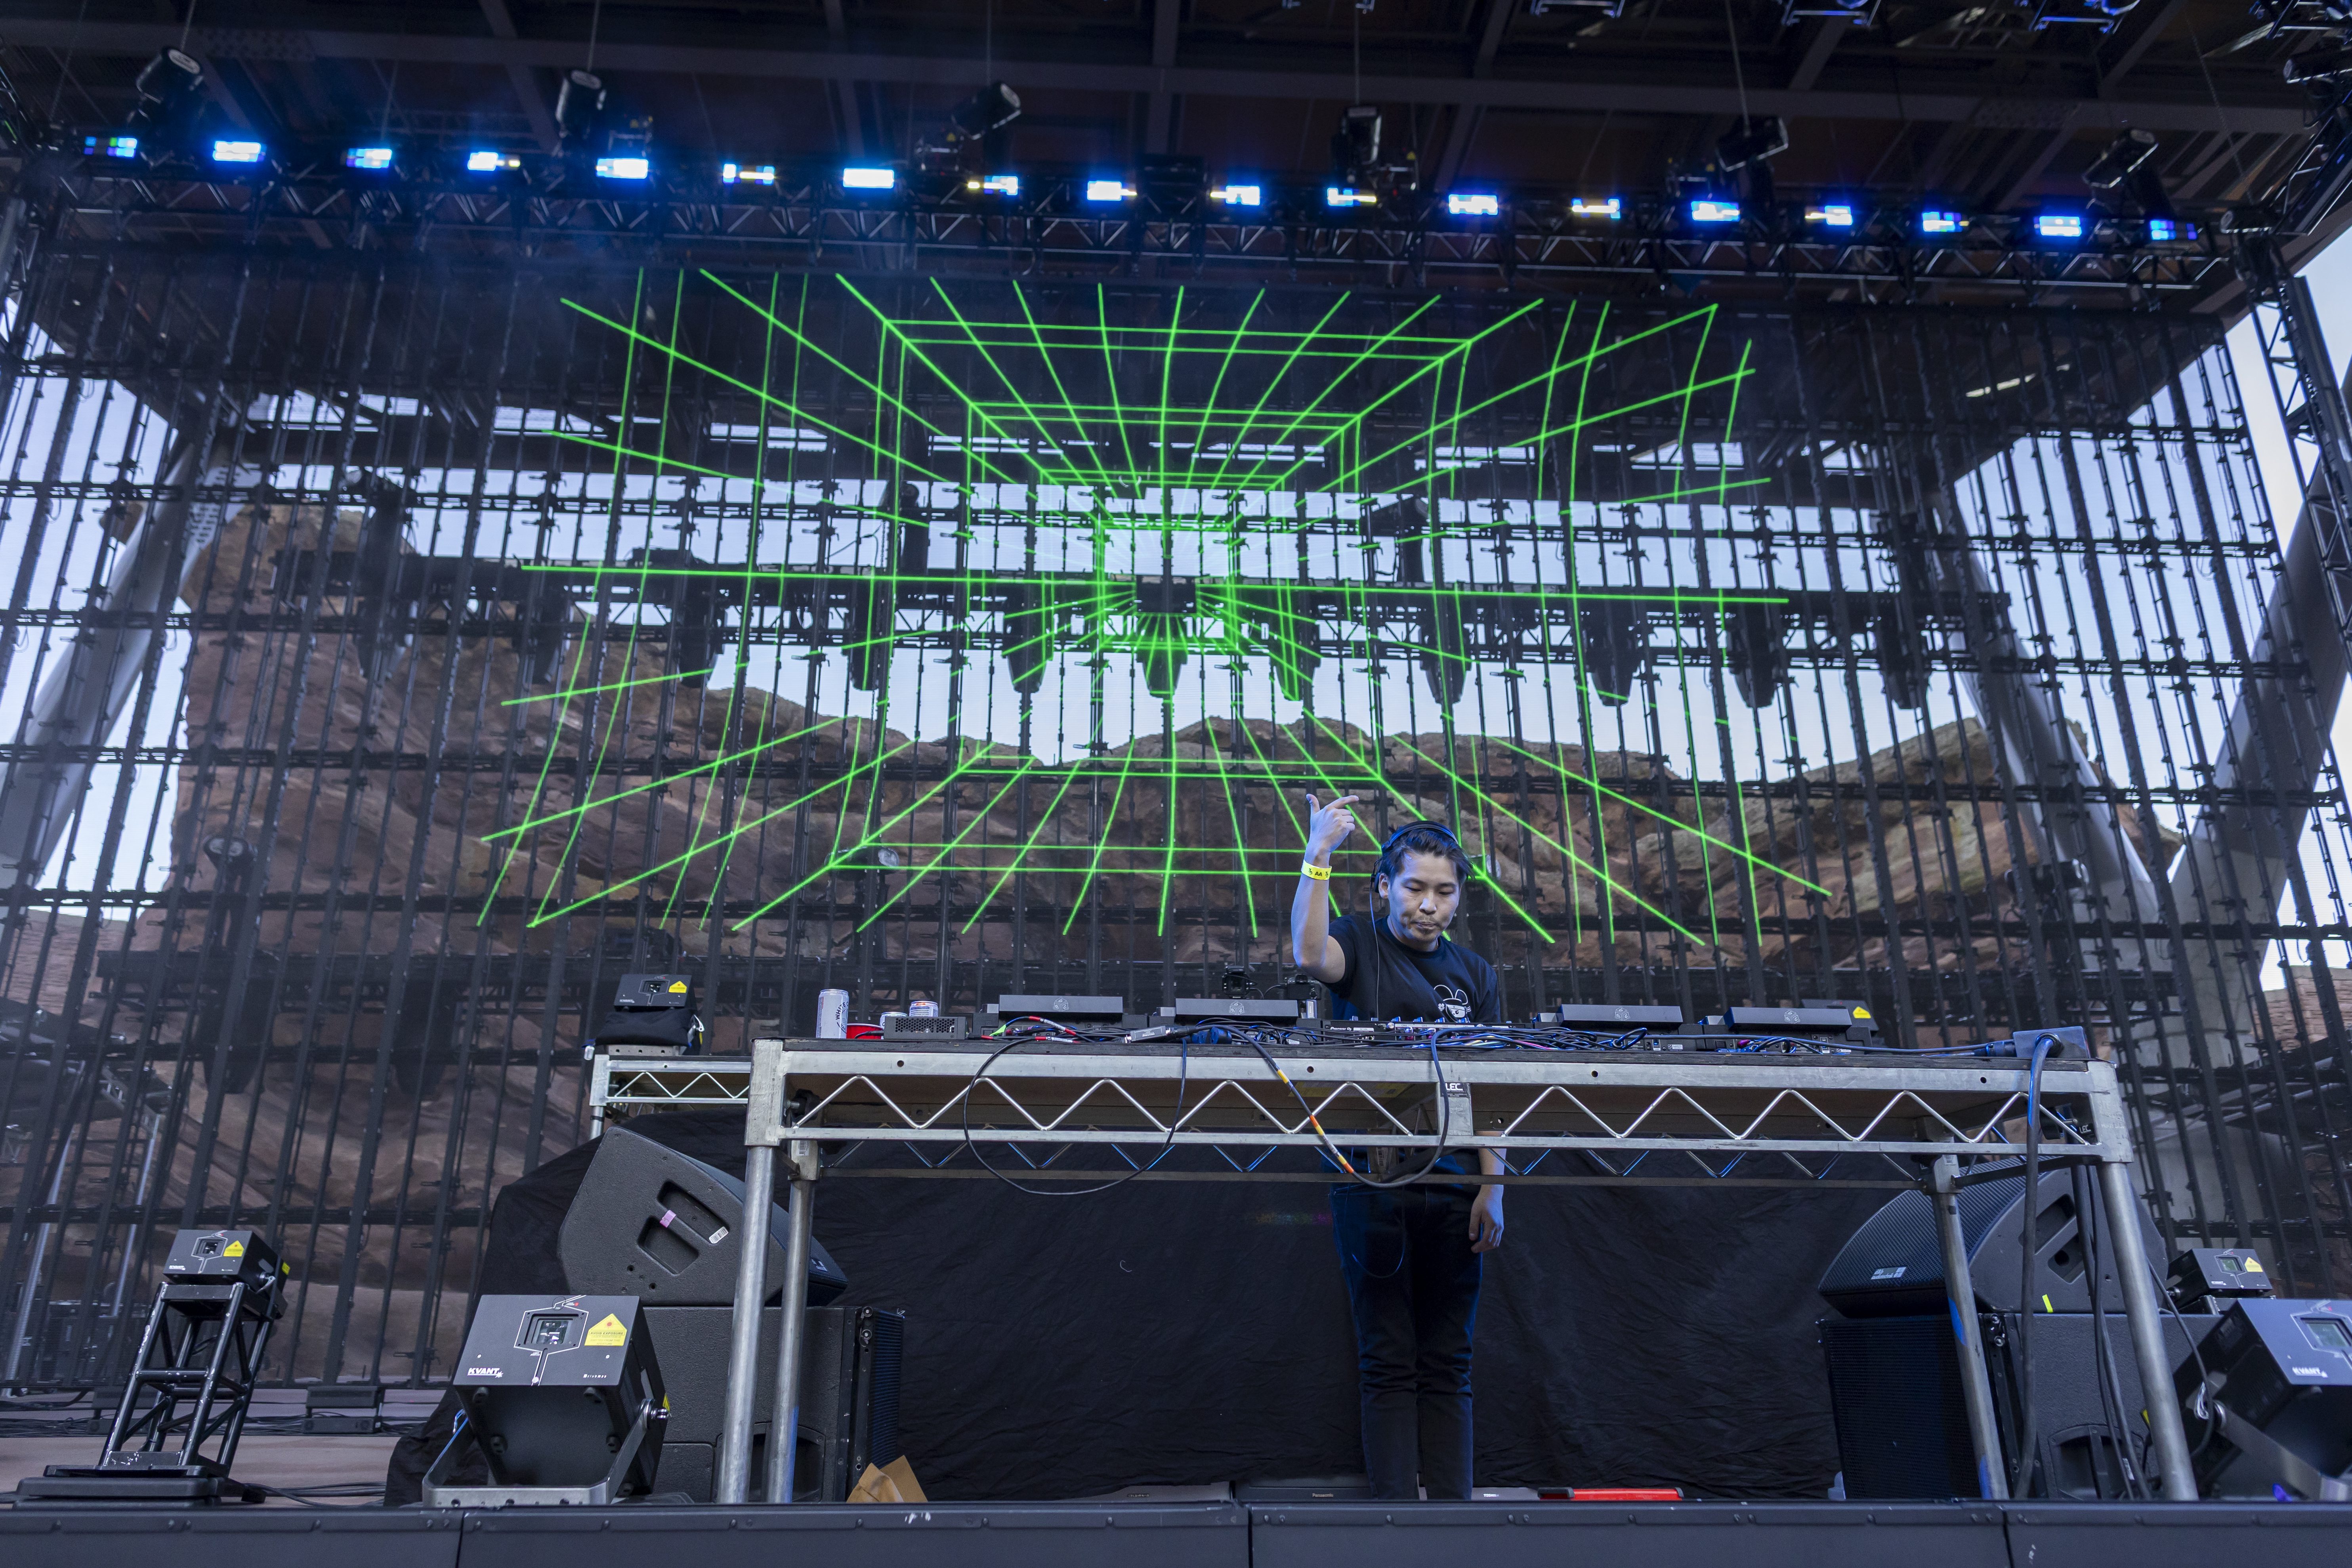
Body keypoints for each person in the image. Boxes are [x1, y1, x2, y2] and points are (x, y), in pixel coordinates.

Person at [1289, 793, 1506, 1501]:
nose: (1429, 905)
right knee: (1387, 1359)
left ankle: (1453, 1520)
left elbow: (1494, 1091)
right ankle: (1393, 1524)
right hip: (1370, 1183)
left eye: (1444, 892)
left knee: (1450, 1360)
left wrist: (1493, 1184)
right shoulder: (1357, 937)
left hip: (1454, 1185)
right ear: (1385, 886)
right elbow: (1310, 954)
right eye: (1415, 887)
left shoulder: (1476, 975)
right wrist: (1318, 854)